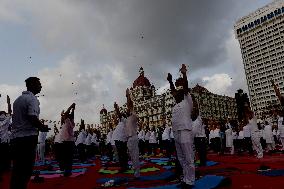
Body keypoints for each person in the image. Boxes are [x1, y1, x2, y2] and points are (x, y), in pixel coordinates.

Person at [10, 77, 50, 189]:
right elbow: (32, 117)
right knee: (26, 170)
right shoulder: (32, 99)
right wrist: (42, 127)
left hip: (16, 139)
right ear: (32, 85)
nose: (41, 86)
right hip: (27, 139)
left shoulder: (18, 100)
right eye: (39, 84)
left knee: (17, 169)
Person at [167, 64, 195, 188]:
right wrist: (170, 81)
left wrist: (184, 74)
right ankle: (185, 178)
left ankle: (190, 181)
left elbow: (185, 87)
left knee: (188, 158)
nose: (175, 93)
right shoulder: (176, 103)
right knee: (181, 158)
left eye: (178, 92)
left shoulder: (187, 99)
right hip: (176, 132)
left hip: (185, 131)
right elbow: (173, 91)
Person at [125, 88, 140, 178]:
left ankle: (137, 174)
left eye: (128, 109)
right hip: (129, 139)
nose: (126, 110)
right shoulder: (127, 119)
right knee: (131, 156)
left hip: (133, 137)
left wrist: (128, 96)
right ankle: (135, 171)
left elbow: (130, 105)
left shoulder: (133, 116)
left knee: (135, 156)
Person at [60, 103, 76, 177]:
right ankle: (68, 171)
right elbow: (69, 115)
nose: (63, 117)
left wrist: (71, 107)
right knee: (68, 157)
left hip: (68, 142)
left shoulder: (68, 122)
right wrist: (73, 110)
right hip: (69, 141)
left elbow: (66, 114)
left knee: (67, 157)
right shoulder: (69, 122)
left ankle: (67, 171)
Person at [113, 102, 128, 172]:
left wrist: (116, 108)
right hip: (119, 140)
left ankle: (124, 167)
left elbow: (119, 115)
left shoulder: (124, 120)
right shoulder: (121, 123)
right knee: (122, 154)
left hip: (120, 140)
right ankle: (125, 166)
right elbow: (116, 119)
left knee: (122, 154)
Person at [0, 95, 12, 183]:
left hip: (4, 143)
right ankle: (5, 169)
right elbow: (9, 112)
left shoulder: (5, 121)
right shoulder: (6, 121)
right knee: (5, 158)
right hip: (4, 144)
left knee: (4, 158)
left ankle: (4, 169)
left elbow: (9, 112)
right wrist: (8, 103)